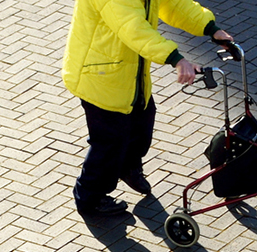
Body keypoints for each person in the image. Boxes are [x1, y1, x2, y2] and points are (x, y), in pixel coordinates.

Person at [62, 0, 233, 216]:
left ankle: (128, 167)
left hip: (128, 74)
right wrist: (176, 59)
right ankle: (89, 197)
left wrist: (211, 28)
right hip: (99, 76)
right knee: (109, 142)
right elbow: (133, 28)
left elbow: (174, 5)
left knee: (142, 124)